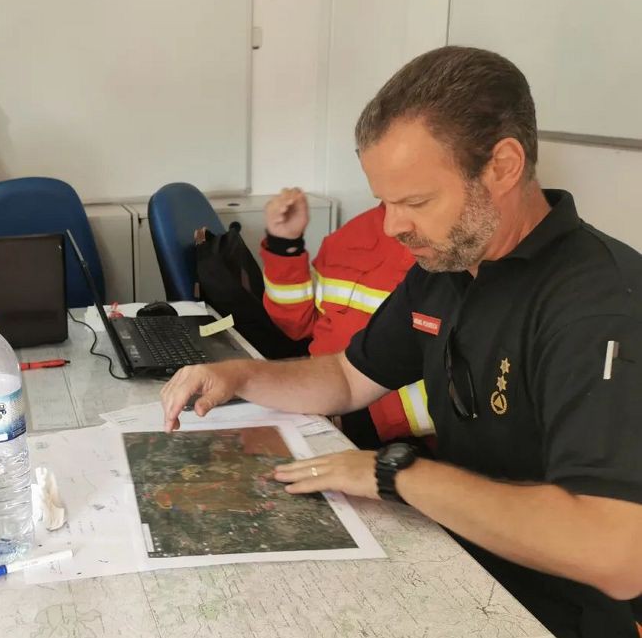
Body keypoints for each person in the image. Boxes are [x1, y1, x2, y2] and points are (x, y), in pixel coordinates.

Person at [161, 46, 642, 638]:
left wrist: (397, 474)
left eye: (415, 202)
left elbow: (617, 553)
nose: (392, 226)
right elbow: (346, 377)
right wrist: (240, 375)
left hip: (554, 613)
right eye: (384, 202)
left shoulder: (600, 304)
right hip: (462, 564)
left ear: (503, 166)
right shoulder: (445, 269)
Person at [260, 188, 433, 448]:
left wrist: (360, 420)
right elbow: (298, 324)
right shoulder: (350, 237)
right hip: (323, 412)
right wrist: (285, 246)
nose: (392, 226)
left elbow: (467, 385)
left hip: (403, 444)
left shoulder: (454, 249)